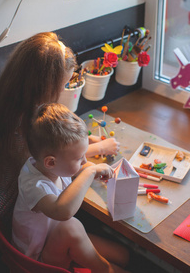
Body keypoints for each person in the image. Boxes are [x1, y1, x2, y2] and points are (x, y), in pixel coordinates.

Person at [0, 31, 120, 230]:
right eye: (62, 85)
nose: (62, 90)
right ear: (43, 85)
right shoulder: (22, 122)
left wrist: (81, 139)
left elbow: (52, 148)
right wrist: (98, 148)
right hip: (11, 212)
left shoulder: (13, 98)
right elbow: (47, 157)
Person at [12, 103, 129, 273]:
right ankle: (106, 269)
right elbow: (62, 212)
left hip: (54, 239)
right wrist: (89, 172)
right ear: (51, 162)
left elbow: (72, 164)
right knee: (70, 226)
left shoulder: (52, 165)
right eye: (79, 158)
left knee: (123, 255)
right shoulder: (33, 184)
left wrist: (89, 166)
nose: (84, 160)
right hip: (36, 261)